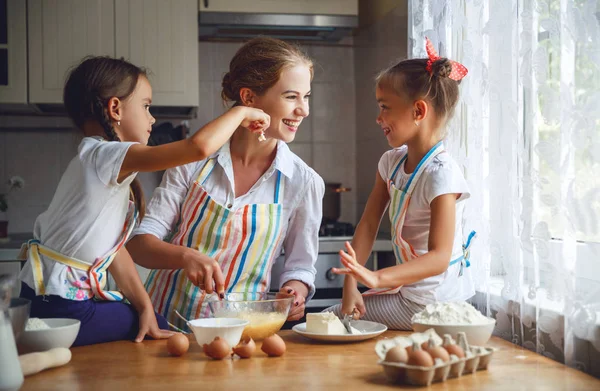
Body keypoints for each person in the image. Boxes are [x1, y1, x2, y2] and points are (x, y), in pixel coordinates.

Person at [18, 56, 270, 346]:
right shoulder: (103, 155)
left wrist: (145, 307)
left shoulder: (100, 166)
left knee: (152, 322)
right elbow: (198, 147)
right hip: (60, 305)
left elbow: (115, 253)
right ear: (115, 108)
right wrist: (241, 112)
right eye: (146, 106)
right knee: (161, 333)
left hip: (48, 300)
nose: (152, 118)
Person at [127, 37, 324, 329]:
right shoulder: (192, 161)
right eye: (291, 97)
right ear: (249, 98)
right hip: (163, 325)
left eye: (306, 97)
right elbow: (140, 245)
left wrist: (296, 291)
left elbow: (300, 265)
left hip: (243, 332)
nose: (304, 110)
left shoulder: (303, 182)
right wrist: (186, 256)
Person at [328, 38, 475, 330]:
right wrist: (350, 286)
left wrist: (376, 278)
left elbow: (439, 258)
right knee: (335, 318)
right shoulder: (390, 162)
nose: (378, 117)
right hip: (410, 296)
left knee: (329, 320)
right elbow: (368, 226)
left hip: (435, 307)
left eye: (385, 108)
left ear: (418, 111)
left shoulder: (442, 174)